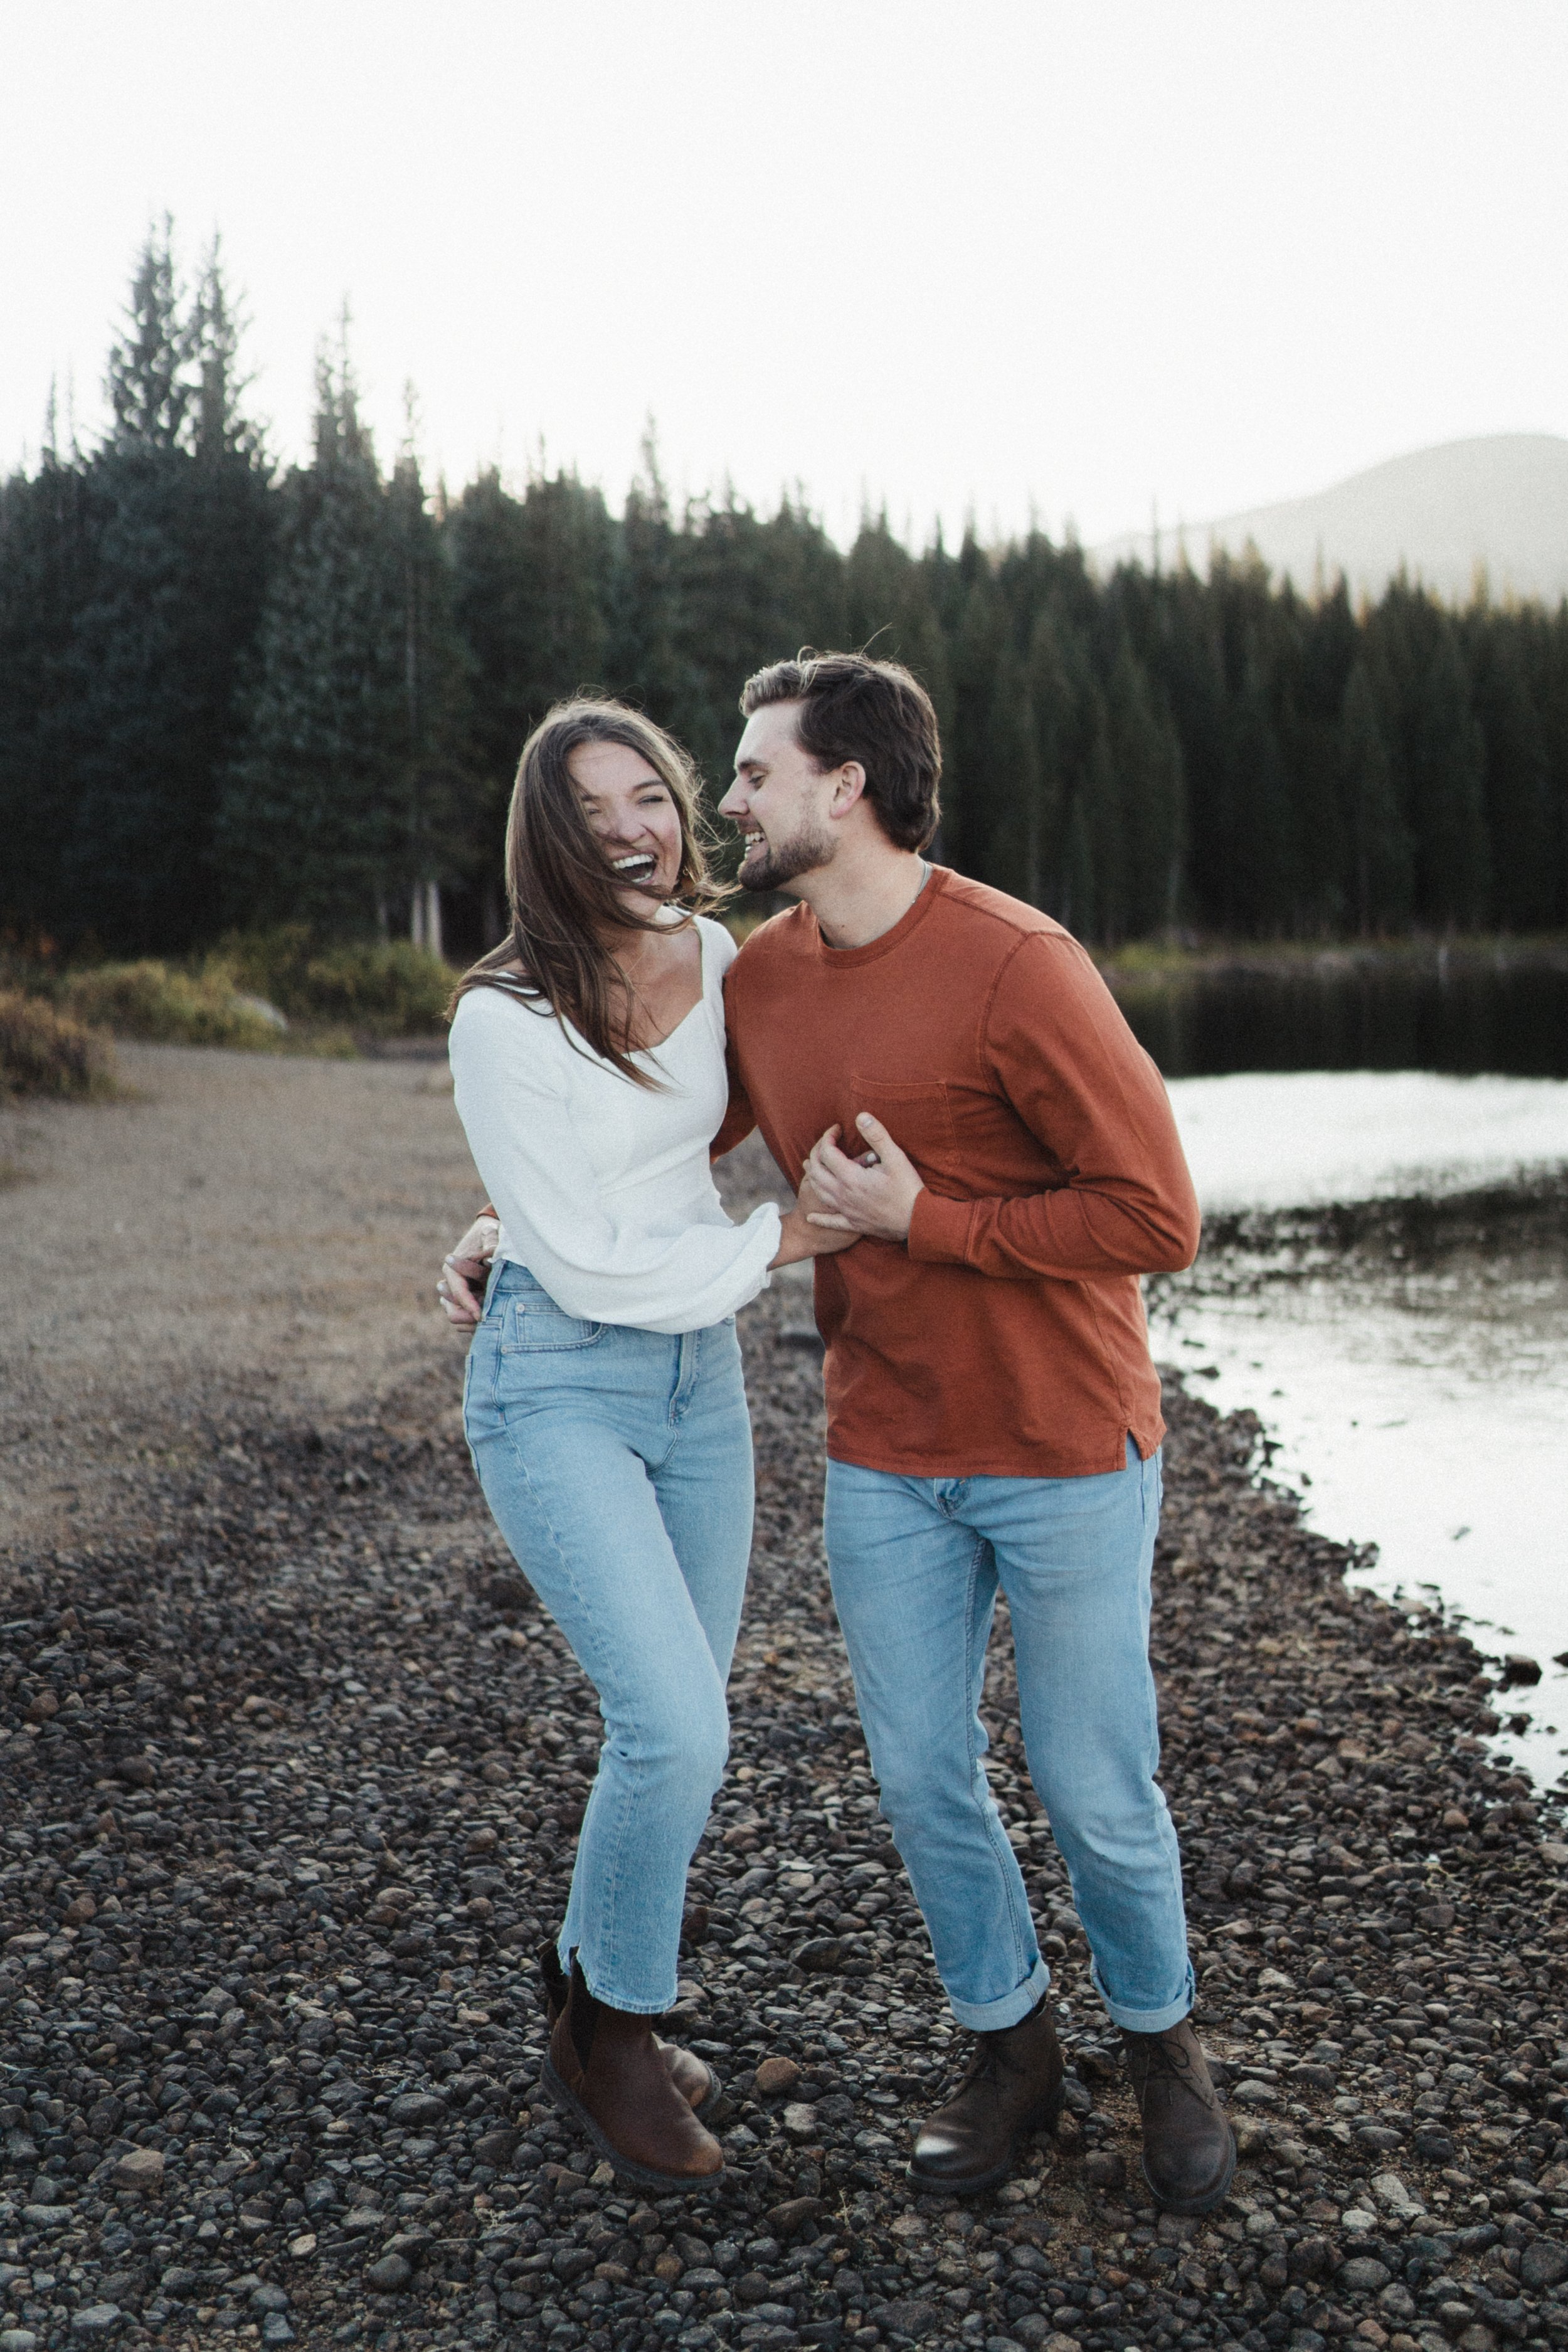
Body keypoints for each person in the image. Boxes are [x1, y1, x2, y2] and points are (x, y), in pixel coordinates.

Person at [443, 654, 1234, 2216]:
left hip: (1064, 1437)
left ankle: (1162, 2049)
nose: (712, 805)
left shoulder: (1020, 963)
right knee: (922, 1775)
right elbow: (663, 1141)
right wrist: (501, 1225)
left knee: (1092, 1781)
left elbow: (1158, 1215)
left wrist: (926, 1221)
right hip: (881, 1446)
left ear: (842, 788)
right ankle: (1007, 2051)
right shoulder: (768, 978)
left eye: (739, 776)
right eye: (711, 780)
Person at [444, 697, 852, 2192]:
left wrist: (504, 1215)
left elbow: (696, 1145)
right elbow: (596, 1253)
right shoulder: (502, 1017)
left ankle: (577, 1978)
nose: (633, 828)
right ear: (544, 842)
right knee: (675, 1726)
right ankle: (611, 2038)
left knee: (682, 1722)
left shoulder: (722, 957)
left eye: (651, 797)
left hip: (701, 1384)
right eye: (593, 810)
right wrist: (791, 1235)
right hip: (557, 1378)